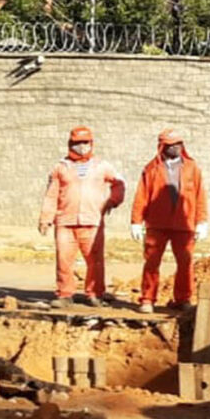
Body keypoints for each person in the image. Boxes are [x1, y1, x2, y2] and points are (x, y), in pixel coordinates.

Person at [39, 126, 126, 308]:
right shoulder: (60, 167)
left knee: (95, 261)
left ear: (91, 143)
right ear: (70, 144)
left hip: (92, 221)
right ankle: (64, 294)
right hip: (65, 221)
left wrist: (113, 201)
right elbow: (51, 194)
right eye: (77, 143)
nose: (81, 146)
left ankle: (95, 294)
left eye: (85, 142)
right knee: (64, 260)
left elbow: (119, 184)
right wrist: (46, 218)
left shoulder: (102, 166)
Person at [130, 129, 208, 314]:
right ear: (162, 147)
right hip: (157, 224)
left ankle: (183, 298)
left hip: (184, 224)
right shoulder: (151, 169)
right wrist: (136, 221)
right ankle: (147, 299)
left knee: (185, 263)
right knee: (152, 262)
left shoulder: (191, 167)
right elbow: (142, 195)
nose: (176, 148)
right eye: (172, 145)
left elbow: (200, 195)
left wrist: (201, 221)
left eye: (179, 144)